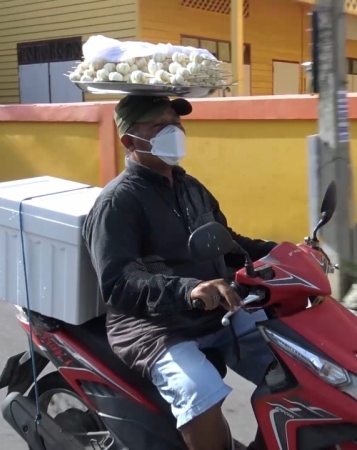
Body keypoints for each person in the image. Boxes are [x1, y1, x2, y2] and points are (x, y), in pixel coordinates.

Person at [82, 95, 277, 450]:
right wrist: (188, 290)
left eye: (176, 124)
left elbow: (228, 243)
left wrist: (281, 252)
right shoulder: (117, 203)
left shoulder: (191, 188)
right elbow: (120, 282)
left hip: (218, 310)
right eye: (159, 126)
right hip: (153, 327)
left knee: (290, 364)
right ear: (129, 140)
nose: (173, 132)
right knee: (198, 389)